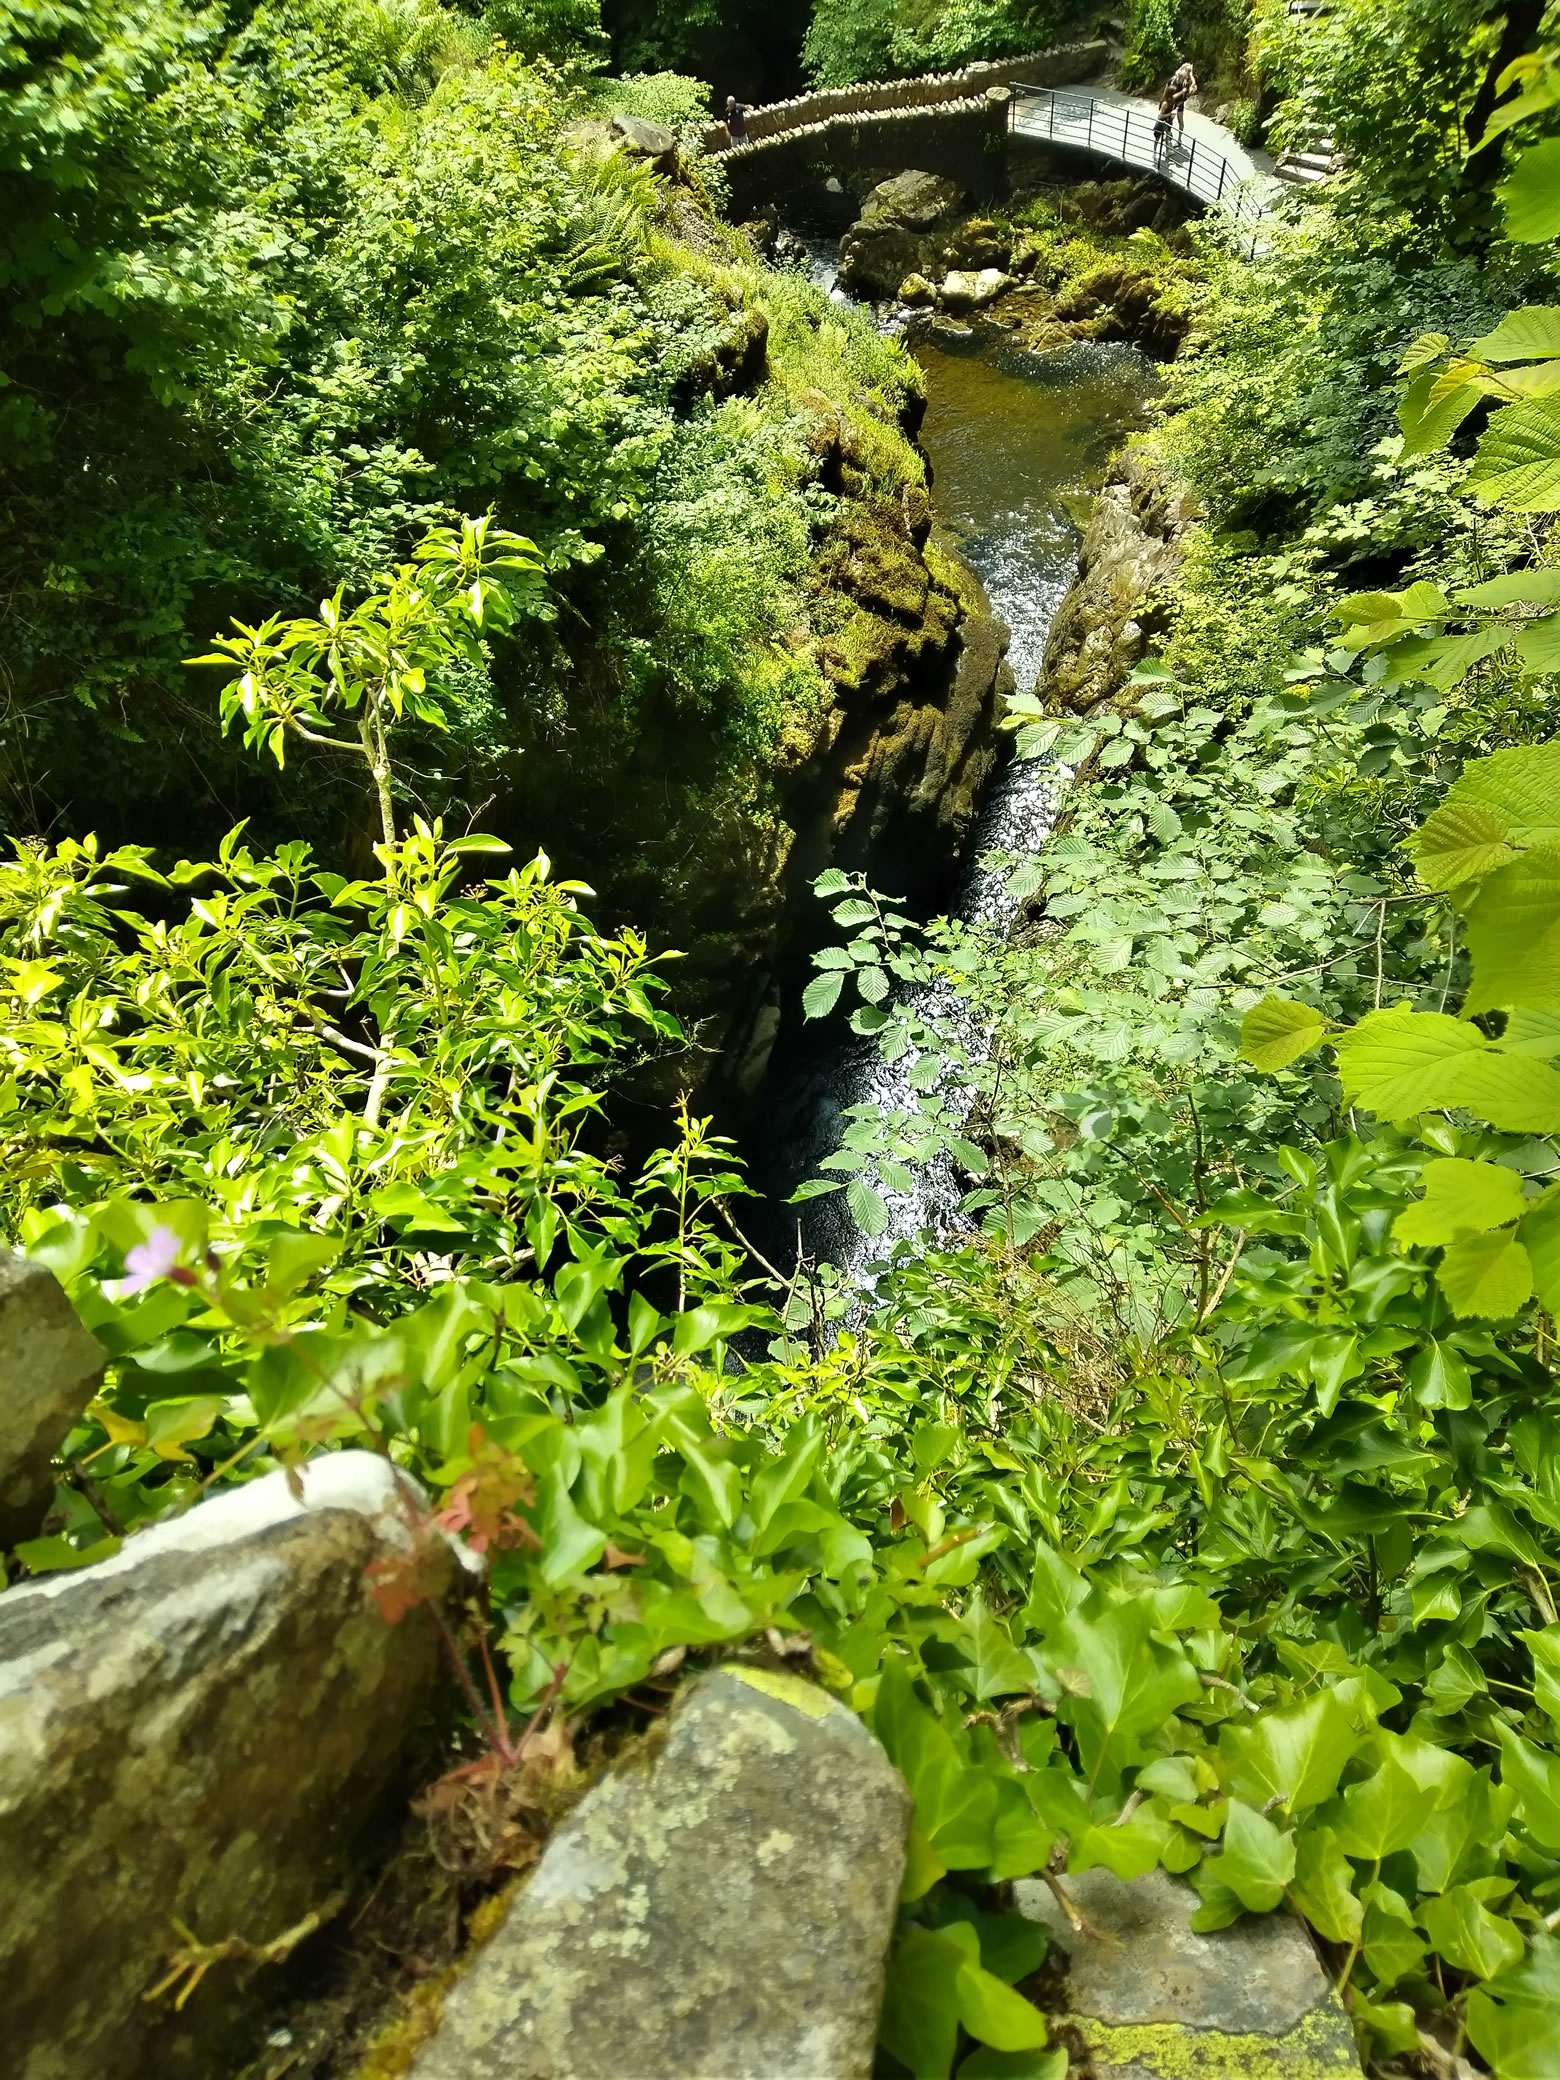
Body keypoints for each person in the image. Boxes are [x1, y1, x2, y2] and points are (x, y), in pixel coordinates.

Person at [1167, 58, 1197, 135]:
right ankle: (1168, 134)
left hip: (1180, 102)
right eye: (1188, 71)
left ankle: (1179, 139)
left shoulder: (1186, 82)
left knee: (1180, 120)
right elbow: (1181, 77)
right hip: (1173, 101)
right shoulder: (1178, 78)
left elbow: (1191, 88)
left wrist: (1191, 90)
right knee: (1170, 118)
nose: (1188, 74)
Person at [1152, 88, 1174, 159]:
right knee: (1157, 138)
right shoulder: (1165, 103)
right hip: (1161, 122)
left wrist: (1171, 116)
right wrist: (1170, 114)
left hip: (1166, 122)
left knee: (1167, 137)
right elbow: (1160, 116)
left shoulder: (1170, 101)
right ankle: (1154, 153)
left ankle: (1167, 151)